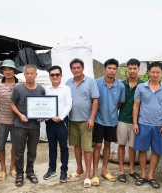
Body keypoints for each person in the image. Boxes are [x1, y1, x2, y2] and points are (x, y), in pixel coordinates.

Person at [133, 62, 162, 189]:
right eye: (153, 72)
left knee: (156, 150)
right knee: (142, 149)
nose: (155, 74)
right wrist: (135, 123)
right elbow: (136, 106)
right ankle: (143, 174)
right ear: (148, 72)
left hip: (159, 125)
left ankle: (151, 176)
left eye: (158, 72)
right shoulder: (141, 87)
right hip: (143, 124)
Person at [65, 58, 99, 188]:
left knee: (87, 148)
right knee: (76, 146)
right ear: (71, 70)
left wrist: (91, 118)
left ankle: (88, 175)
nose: (76, 70)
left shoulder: (90, 82)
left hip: (86, 121)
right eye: (74, 68)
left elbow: (95, 101)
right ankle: (79, 169)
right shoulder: (69, 82)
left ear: (83, 68)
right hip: (72, 120)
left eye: (78, 67)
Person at [10, 64, 45, 187]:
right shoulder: (18, 88)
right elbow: (12, 104)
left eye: (32, 73)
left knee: (32, 151)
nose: (29, 76)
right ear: (24, 75)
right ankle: (19, 173)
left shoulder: (41, 90)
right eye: (27, 73)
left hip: (35, 126)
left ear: (36, 74)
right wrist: (20, 115)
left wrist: (42, 117)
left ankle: (30, 171)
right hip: (20, 125)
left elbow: (43, 107)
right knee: (19, 151)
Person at [92, 58, 125, 186]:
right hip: (98, 120)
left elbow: (120, 102)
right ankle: (95, 172)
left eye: (114, 68)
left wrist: (112, 110)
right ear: (105, 69)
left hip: (112, 121)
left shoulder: (120, 86)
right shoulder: (96, 83)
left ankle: (104, 170)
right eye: (109, 68)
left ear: (117, 70)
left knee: (107, 145)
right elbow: (93, 101)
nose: (112, 71)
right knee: (98, 145)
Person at [0, 59, 23, 181]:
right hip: (2, 119)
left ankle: (12, 168)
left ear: (14, 70)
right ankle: (3, 168)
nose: (8, 72)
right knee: (0, 145)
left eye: (10, 69)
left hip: (17, 121)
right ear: (2, 71)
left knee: (16, 145)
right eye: (5, 69)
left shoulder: (21, 83)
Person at [43, 65, 72, 183]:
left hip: (61, 122)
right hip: (49, 122)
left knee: (64, 147)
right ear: (49, 76)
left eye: (57, 74)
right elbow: (43, 105)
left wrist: (61, 117)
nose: (55, 77)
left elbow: (69, 104)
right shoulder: (46, 89)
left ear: (61, 76)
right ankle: (52, 169)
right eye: (52, 75)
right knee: (52, 146)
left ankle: (64, 170)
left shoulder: (66, 89)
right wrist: (43, 116)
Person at [117, 59, 144, 183]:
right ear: (126, 69)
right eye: (130, 68)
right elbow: (118, 103)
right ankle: (121, 170)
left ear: (139, 69)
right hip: (122, 119)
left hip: (137, 122)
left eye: (134, 68)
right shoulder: (121, 85)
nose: (132, 71)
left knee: (132, 147)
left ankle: (132, 169)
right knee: (121, 145)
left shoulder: (144, 85)